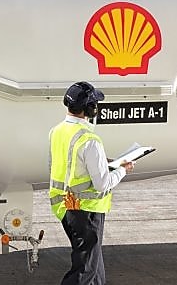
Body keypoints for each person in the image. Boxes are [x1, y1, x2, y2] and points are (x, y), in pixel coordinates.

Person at [49, 81, 132, 285]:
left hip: (65, 206)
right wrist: (123, 169)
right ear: (90, 109)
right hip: (86, 210)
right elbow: (103, 184)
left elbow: (69, 165)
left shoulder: (56, 132)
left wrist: (105, 163)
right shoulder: (89, 140)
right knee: (85, 270)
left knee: (94, 269)